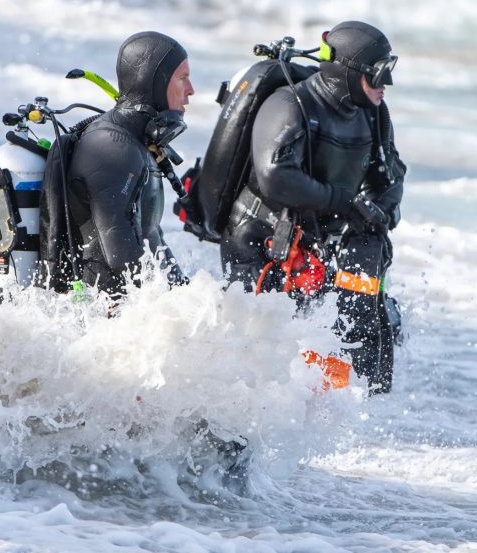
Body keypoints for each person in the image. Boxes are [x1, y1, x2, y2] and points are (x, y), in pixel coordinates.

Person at [219, 21, 405, 392]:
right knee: (263, 360)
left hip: (318, 244)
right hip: (260, 246)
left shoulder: (372, 112)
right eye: (378, 74)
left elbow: (392, 175)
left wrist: (380, 211)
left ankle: (365, 404)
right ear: (349, 73)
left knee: (363, 318)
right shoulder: (290, 105)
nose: (387, 84)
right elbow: (275, 176)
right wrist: (344, 203)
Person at [39, 30, 194, 298]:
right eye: (183, 79)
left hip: (125, 310)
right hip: (102, 317)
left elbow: (151, 240)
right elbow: (122, 258)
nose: (191, 90)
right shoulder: (112, 149)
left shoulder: (137, 143)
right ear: (155, 82)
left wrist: (191, 297)